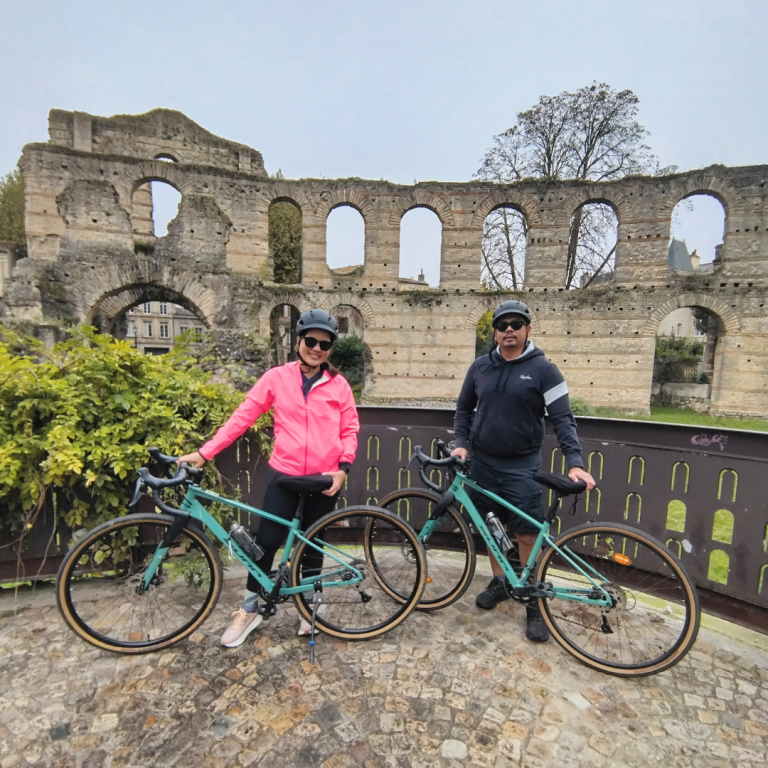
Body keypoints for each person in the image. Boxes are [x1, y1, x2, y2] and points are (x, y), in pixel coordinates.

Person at [178, 309, 359, 648]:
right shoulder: (276, 378)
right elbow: (242, 417)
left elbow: (349, 429)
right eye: (311, 341)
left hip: (325, 478)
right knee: (266, 543)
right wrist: (205, 453)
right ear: (298, 341)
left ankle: (308, 611)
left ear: (331, 348)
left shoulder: (339, 385)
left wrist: (343, 468)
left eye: (325, 344)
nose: (317, 349)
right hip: (284, 474)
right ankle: (249, 608)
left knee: (313, 545)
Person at [451, 299, 595, 642]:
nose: (509, 330)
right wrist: (460, 442)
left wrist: (575, 462)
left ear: (528, 329)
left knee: (528, 534)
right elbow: (463, 410)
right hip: (483, 463)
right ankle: (501, 582)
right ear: (495, 332)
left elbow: (563, 419)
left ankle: (534, 600)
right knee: (491, 527)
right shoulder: (479, 368)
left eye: (517, 324)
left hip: (522, 467)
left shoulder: (545, 369)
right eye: (502, 325)